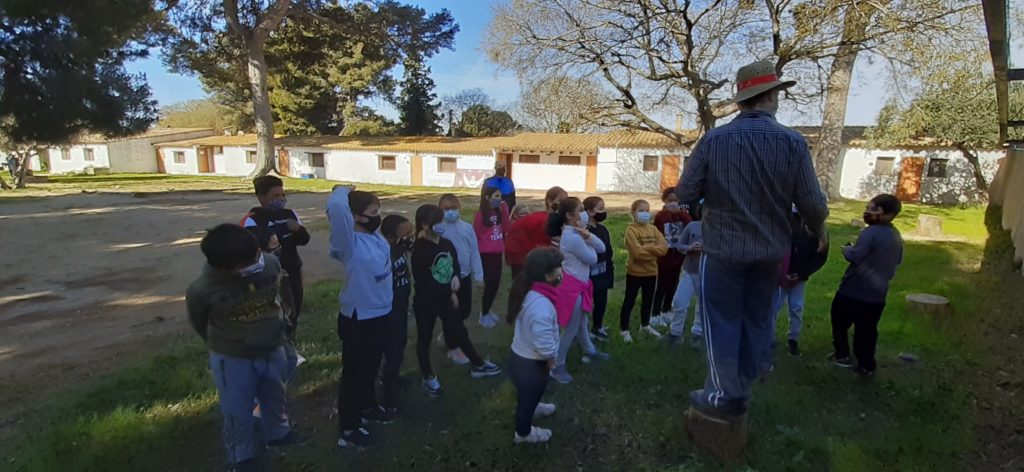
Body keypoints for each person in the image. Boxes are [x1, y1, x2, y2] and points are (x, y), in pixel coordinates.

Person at [676, 59, 829, 420]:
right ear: (771, 96)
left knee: (721, 321)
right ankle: (740, 390)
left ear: (742, 99)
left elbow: (685, 192)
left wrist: (708, 202)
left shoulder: (714, 140)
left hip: (723, 250)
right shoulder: (793, 142)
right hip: (770, 253)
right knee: (756, 321)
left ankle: (721, 395)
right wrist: (817, 228)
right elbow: (813, 204)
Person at [186, 224, 309, 471]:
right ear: (223, 268)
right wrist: (225, 343)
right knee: (237, 411)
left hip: (273, 347)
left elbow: (279, 294)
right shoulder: (202, 290)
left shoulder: (270, 264)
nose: (256, 263)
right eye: (247, 263)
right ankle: (241, 456)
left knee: (275, 396)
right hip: (234, 358)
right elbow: (200, 322)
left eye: (257, 255)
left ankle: (278, 433)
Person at [327, 185, 392, 449]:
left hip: (381, 313)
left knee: (371, 367)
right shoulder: (349, 244)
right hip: (358, 318)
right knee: (355, 374)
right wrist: (342, 190)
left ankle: (367, 406)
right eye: (373, 213)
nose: (378, 217)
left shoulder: (375, 236)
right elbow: (336, 208)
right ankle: (349, 428)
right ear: (354, 216)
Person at [412, 204, 502, 397]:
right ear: (424, 224)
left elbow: (454, 264)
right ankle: (428, 376)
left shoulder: (445, 243)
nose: (441, 225)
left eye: (441, 220)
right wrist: (449, 292)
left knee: (459, 330)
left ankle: (478, 364)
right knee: (424, 338)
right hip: (427, 301)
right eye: (437, 222)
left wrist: (454, 276)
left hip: (446, 298)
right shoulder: (419, 249)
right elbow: (424, 281)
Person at [829, 194, 903, 376]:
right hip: (877, 295)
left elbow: (856, 256)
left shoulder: (869, 233)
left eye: (874, 209)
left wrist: (847, 250)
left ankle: (842, 355)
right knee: (867, 330)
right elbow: (897, 260)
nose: (867, 212)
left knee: (839, 323)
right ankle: (866, 365)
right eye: (867, 208)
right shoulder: (895, 235)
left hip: (853, 290)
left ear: (889, 214)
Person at [546, 197, 610, 384]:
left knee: (582, 322)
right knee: (571, 328)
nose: (584, 213)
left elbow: (602, 247)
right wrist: (588, 239)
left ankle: (590, 351)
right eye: (581, 209)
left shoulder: (577, 233)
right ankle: (557, 365)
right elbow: (593, 258)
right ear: (569, 215)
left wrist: (588, 236)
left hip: (579, 285)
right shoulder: (573, 237)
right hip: (572, 288)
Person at [242, 176, 311, 339]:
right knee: (273, 314)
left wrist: (298, 230)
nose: (280, 199)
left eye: (282, 195)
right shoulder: (252, 220)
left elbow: (304, 240)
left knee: (293, 310)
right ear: (261, 197)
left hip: (292, 271)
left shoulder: (290, 214)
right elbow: (249, 252)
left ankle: (291, 341)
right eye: (275, 196)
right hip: (267, 277)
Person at [506, 247, 563, 444]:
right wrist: (551, 357)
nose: (562, 272)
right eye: (559, 269)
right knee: (526, 403)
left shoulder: (530, 291)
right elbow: (544, 344)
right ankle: (523, 433)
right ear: (548, 276)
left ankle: (534, 405)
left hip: (520, 359)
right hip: (531, 366)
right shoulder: (541, 308)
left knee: (528, 396)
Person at [768, 206, 829, 359]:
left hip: (799, 277)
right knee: (773, 307)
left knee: (796, 307)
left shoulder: (818, 231)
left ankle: (793, 340)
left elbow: (819, 257)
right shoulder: (785, 220)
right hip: (779, 276)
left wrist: (801, 274)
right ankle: (769, 338)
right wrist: (779, 271)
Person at [435, 194, 485, 362]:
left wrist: (479, 275)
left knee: (465, 311)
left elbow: (474, 253)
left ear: (460, 209)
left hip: (464, 276)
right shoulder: (438, 229)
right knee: (451, 313)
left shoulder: (467, 228)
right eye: (446, 209)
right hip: (447, 278)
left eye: (453, 208)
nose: (450, 212)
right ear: (439, 210)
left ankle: (447, 334)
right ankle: (453, 346)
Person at [379, 215, 415, 420]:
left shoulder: (400, 248)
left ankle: (393, 378)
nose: (410, 236)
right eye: (406, 234)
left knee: (400, 343)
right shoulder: (384, 253)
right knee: (392, 349)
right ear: (392, 236)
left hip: (401, 302)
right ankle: (388, 399)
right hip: (389, 307)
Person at [619, 199, 669, 343]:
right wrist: (654, 251)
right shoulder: (631, 230)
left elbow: (664, 248)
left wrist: (647, 248)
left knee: (648, 300)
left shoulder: (653, 229)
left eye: (647, 210)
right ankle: (624, 329)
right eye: (641, 210)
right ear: (633, 212)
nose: (645, 213)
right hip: (635, 273)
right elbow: (637, 254)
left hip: (651, 272)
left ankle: (645, 325)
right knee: (630, 300)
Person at [650, 187, 692, 329]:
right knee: (662, 284)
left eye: (676, 200)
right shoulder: (660, 216)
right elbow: (656, 233)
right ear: (664, 201)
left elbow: (690, 225)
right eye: (670, 200)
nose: (673, 203)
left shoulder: (683, 215)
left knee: (673, 284)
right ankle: (655, 313)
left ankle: (667, 309)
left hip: (678, 255)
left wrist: (681, 213)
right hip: (664, 256)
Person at [505, 186, 568, 279]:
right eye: (561, 201)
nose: (564, 204)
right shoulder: (545, 219)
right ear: (549, 201)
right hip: (523, 256)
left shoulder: (543, 217)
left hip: (525, 255)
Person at [667, 200, 705, 348]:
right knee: (679, 302)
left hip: (707, 275)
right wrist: (689, 247)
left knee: (702, 306)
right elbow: (679, 245)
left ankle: (698, 334)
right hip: (689, 271)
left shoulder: (718, 230)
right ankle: (675, 333)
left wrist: (705, 248)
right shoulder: (692, 226)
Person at [473, 186, 511, 328]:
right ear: (487, 198)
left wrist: (505, 210)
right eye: (496, 196)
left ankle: (487, 310)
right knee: (489, 285)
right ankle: (483, 315)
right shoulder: (480, 215)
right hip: (486, 255)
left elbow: (507, 228)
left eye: (500, 196)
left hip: (497, 253)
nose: (499, 199)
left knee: (496, 284)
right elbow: (475, 235)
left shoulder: (499, 212)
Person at [583, 196, 615, 341]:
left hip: (603, 273)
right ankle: (583, 331)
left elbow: (608, 250)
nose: (603, 211)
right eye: (600, 209)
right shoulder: (584, 231)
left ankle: (597, 326)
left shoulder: (603, 229)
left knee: (601, 302)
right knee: (586, 304)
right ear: (590, 211)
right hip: (589, 274)